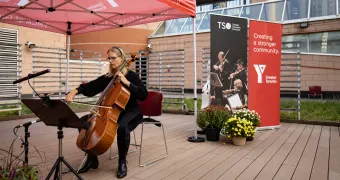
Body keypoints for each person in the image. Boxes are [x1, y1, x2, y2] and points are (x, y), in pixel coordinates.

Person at [65, 46, 148, 179]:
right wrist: (74, 91)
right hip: (110, 111)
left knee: (122, 127)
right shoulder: (108, 77)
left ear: (122, 58)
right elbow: (91, 87)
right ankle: (92, 157)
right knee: (83, 122)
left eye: (113, 58)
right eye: (109, 58)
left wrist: (126, 82)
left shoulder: (131, 76)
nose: (110, 61)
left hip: (131, 111)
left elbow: (144, 95)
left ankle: (122, 162)